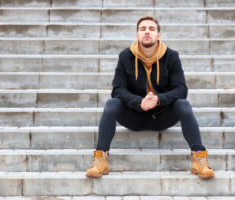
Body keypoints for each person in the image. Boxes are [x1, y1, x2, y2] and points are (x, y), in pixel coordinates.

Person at [86, 16, 214, 179]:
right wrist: (139, 102)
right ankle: (100, 158)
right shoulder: (125, 56)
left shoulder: (171, 56)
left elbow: (181, 89)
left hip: (162, 116)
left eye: (152, 29)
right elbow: (118, 90)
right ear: (137, 35)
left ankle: (199, 158)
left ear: (158, 36)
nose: (147, 32)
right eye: (143, 29)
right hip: (134, 116)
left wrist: (158, 99)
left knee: (183, 104)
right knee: (112, 104)